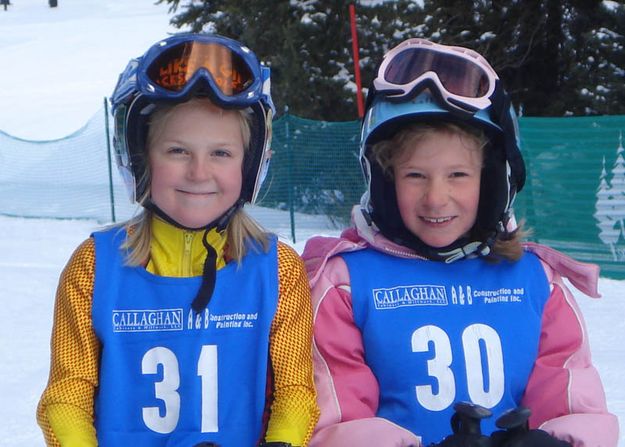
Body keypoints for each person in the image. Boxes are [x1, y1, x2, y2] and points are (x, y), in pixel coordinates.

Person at [302, 38, 619, 446]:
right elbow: (334, 422)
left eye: (458, 176)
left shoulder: (536, 281)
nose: (436, 198)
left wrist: (559, 442)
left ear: (490, 181)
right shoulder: (346, 285)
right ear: (384, 179)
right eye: (415, 175)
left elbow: (574, 404)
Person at [37, 33, 319, 447]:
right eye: (177, 151)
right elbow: (68, 395)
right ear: (140, 157)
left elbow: (296, 392)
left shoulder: (277, 270)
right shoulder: (95, 268)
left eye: (221, 153)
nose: (199, 172)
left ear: (251, 161)